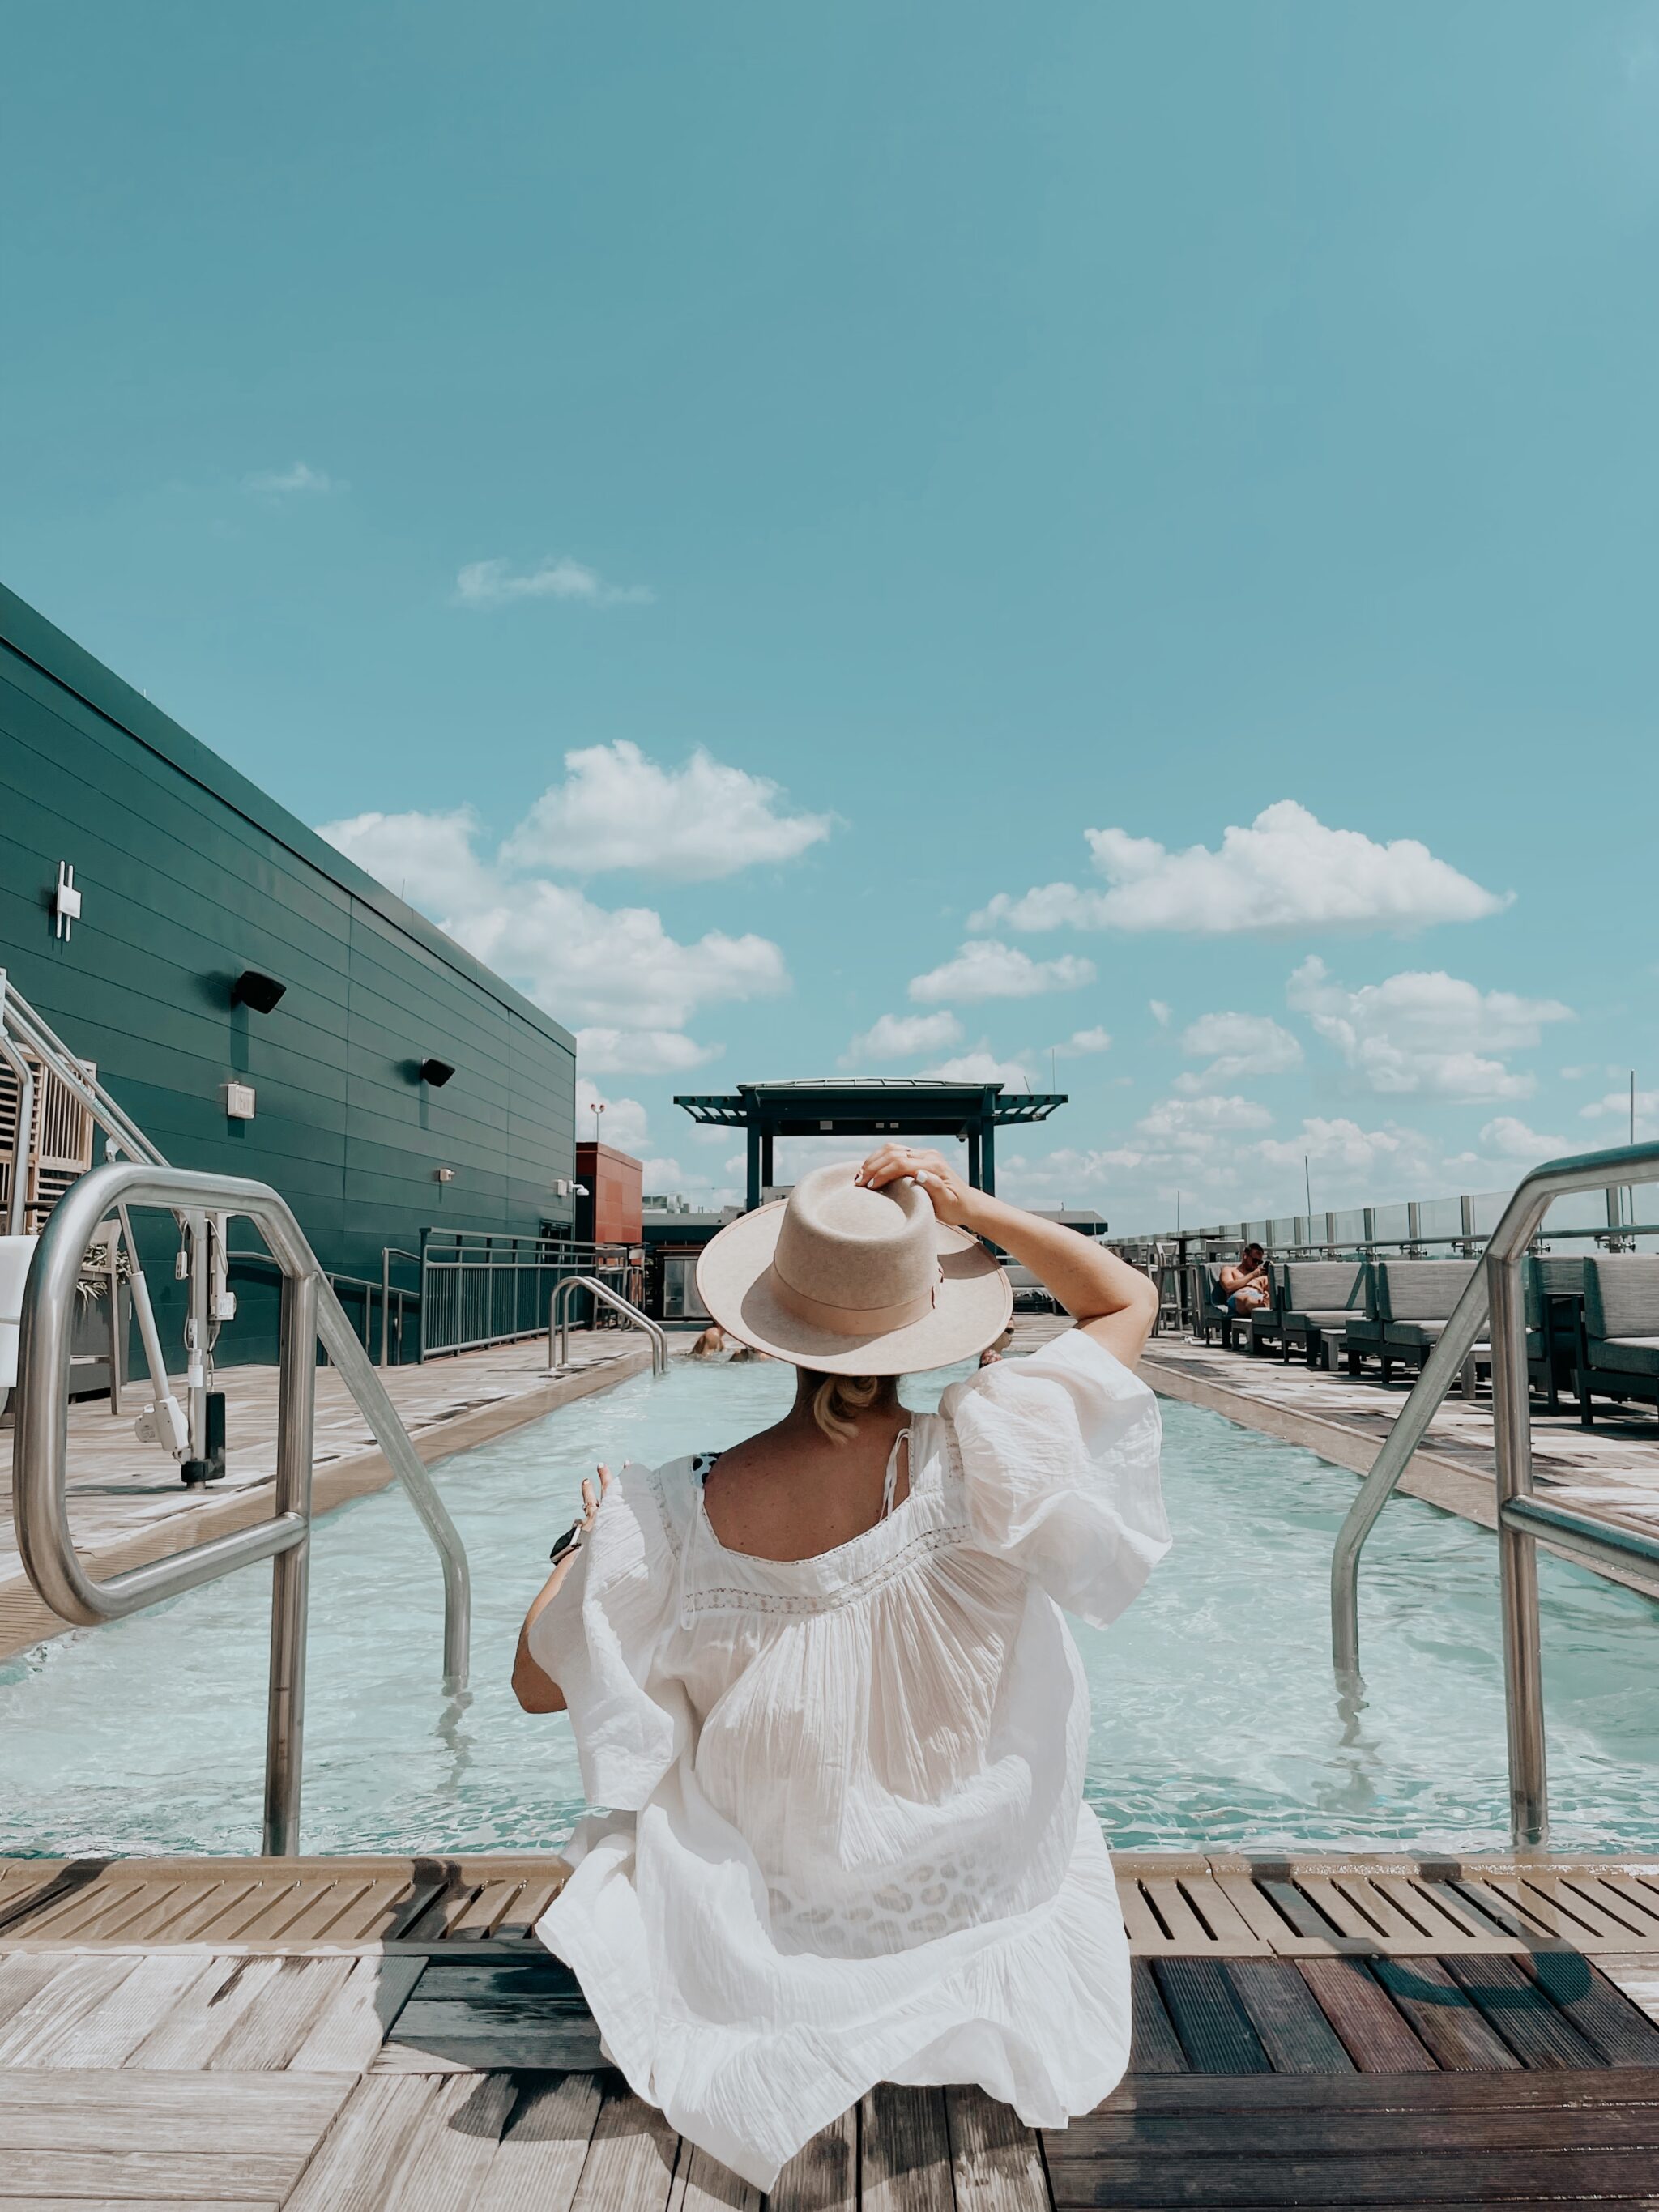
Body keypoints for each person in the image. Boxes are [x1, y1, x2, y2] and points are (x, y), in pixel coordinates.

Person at [512, 1145, 1166, 2191]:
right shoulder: (991, 1454)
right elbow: (1128, 1296)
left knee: (634, 1824)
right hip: (971, 1908)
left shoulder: (667, 1517)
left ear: (776, 1328)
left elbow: (541, 1682)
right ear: (920, 1324)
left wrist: (584, 1551)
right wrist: (969, 1204)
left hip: (765, 1933)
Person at [1218, 1242, 1271, 1315]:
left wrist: (1272, 1273)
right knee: (1248, 1299)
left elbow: (1270, 1289)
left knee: (1268, 1297)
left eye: (1259, 1262)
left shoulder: (1260, 1275)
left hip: (1258, 1296)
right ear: (1245, 1256)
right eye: (1255, 1260)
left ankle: (1263, 1306)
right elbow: (1228, 1287)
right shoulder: (1229, 1270)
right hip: (1239, 1297)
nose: (1256, 1264)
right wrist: (1252, 1275)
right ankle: (1261, 1307)